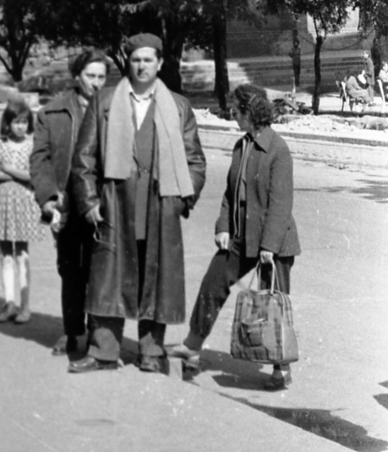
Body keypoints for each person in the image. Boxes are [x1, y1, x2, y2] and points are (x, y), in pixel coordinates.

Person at [70, 32, 206, 374]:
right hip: (116, 206)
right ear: (126, 62)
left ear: (160, 63)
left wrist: (182, 201)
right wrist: (89, 203)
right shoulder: (105, 103)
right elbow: (83, 159)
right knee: (108, 279)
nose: (142, 65)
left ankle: (151, 352)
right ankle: (103, 352)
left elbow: (195, 162)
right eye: (136, 59)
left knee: (155, 280)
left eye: (149, 59)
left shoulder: (177, 105)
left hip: (160, 208)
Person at [170, 83, 300, 390]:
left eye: (236, 111)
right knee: (213, 284)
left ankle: (281, 367)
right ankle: (192, 344)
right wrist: (223, 226)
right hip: (241, 238)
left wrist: (268, 246)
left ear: (251, 112)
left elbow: (281, 205)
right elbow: (231, 193)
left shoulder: (277, 150)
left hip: (275, 243)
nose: (233, 116)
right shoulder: (241, 145)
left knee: (273, 304)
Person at [30, 48, 110, 357]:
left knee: (100, 271)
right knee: (70, 270)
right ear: (77, 77)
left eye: (102, 77)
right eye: (90, 76)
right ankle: (73, 331)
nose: (96, 83)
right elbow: (40, 160)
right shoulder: (52, 113)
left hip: (102, 206)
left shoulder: (115, 111)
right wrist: (48, 197)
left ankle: (97, 332)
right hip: (66, 206)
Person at [0, 96, 43, 325]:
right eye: (15, 122)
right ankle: (9, 303)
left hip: (25, 201)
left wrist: (8, 169)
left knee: (22, 253)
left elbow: (32, 175)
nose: (20, 126)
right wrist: (13, 172)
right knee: (5, 252)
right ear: (7, 123)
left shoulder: (32, 144)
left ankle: (25, 306)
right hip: (2, 199)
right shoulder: (0, 143)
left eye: (24, 122)